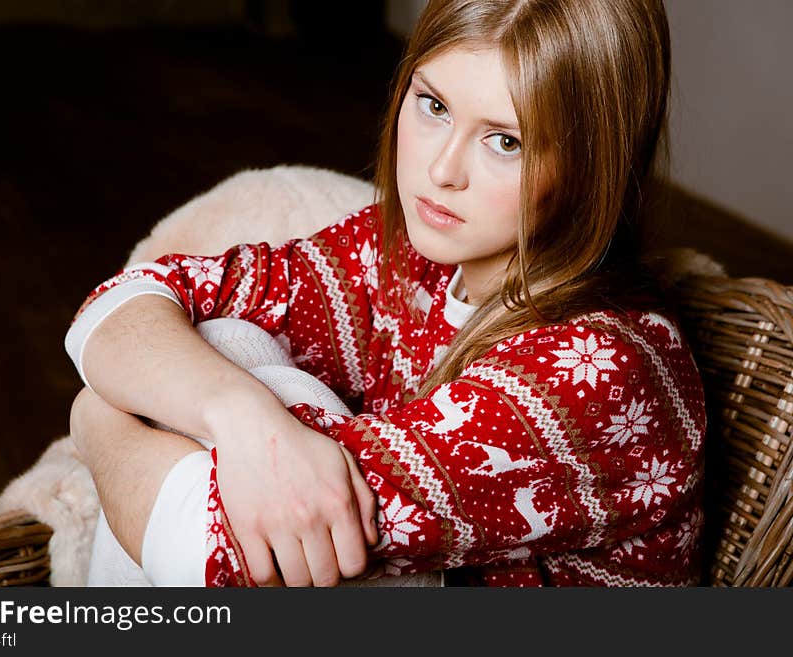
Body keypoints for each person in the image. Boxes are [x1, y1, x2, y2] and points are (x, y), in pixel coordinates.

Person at [66, 0, 706, 587]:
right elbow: (130, 301)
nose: (440, 171)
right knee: (222, 345)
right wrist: (238, 415)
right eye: (434, 106)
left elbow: (206, 556)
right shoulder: (408, 254)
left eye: (506, 141)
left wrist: (95, 420)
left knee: (238, 402)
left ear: (595, 165)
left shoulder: (601, 371)